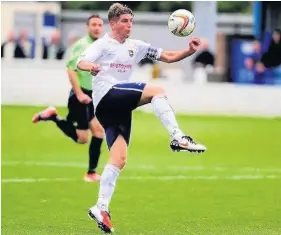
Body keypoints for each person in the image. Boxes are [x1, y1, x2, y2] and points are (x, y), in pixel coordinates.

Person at [77, 3, 206, 233]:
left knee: (119, 158)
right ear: (113, 23)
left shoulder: (136, 46)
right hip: (107, 97)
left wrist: (188, 51)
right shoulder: (102, 44)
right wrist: (92, 66)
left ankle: (101, 207)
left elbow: (166, 55)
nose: (129, 25)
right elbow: (81, 61)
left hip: (119, 108)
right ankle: (178, 136)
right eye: (125, 21)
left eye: (131, 21)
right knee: (156, 91)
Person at [32, 15, 105, 182]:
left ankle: (91, 172)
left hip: (92, 95)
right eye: (93, 24)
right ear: (87, 27)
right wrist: (79, 94)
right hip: (80, 95)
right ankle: (53, 117)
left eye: (99, 25)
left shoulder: (100, 46)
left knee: (99, 131)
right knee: (82, 138)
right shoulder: (82, 45)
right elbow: (71, 70)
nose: (96, 28)